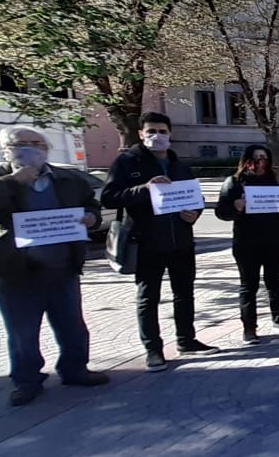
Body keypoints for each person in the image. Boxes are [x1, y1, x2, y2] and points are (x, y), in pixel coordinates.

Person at [0, 126, 109, 406]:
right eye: (20, 144)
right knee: (22, 332)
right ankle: (27, 381)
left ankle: (75, 370)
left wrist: (91, 217)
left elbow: (91, 206)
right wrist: (11, 181)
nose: (30, 148)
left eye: (37, 144)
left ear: (46, 149)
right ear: (6, 150)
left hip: (62, 267)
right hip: (16, 270)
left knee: (72, 325)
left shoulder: (67, 178)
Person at [102, 112, 217, 372]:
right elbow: (109, 198)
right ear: (141, 134)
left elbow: (194, 199)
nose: (158, 136)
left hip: (181, 241)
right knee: (148, 297)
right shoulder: (127, 162)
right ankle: (153, 348)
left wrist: (194, 215)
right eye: (151, 131)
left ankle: (186, 339)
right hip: (146, 242)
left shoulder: (179, 165)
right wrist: (144, 188)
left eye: (163, 131)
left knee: (184, 293)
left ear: (170, 134)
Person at [215, 144, 279, 343]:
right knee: (249, 286)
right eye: (255, 157)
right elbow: (222, 212)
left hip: (275, 240)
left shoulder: (276, 181)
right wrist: (235, 206)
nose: (260, 161)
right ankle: (249, 327)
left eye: (264, 157)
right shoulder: (234, 182)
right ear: (246, 160)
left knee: (274, 283)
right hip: (247, 242)